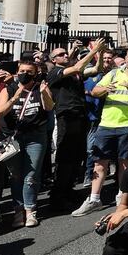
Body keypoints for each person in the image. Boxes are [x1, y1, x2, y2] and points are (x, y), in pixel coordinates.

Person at [73, 48, 128, 216]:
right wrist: (105, 89)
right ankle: (94, 198)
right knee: (99, 162)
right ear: (125, 58)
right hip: (107, 124)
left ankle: (122, 195)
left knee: (124, 162)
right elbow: (95, 91)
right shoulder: (114, 73)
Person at [0, 59, 55, 228]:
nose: (25, 74)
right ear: (17, 72)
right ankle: (17, 211)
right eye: (22, 71)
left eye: (29, 71)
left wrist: (43, 93)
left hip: (35, 137)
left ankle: (30, 211)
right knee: (16, 176)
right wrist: (15, 97)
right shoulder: (9, 89)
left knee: (31, 175)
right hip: (12, 138)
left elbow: (50, 107)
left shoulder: (40, 87)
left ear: (35, 74)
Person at [47, 39, 105, 210]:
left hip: (81, 116)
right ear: (53, 60)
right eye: (60, 55)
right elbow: (77, 67)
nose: (65, 55)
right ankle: (58, 195)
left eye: (66, 53)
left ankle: (69, 189)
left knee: (77, 156)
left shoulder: (74, 73)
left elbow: (96, 69)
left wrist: (99, 55)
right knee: (65, 157)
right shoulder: (55, 72)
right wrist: (94, 51)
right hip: (67, 117)